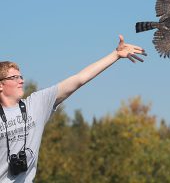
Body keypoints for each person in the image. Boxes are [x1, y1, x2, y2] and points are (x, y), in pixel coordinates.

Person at [0, 35, 147, 182]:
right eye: (14, 78)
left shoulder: (36, 104)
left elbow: (79, 79)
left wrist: (115, 55)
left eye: (21, 77)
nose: (22, 81)